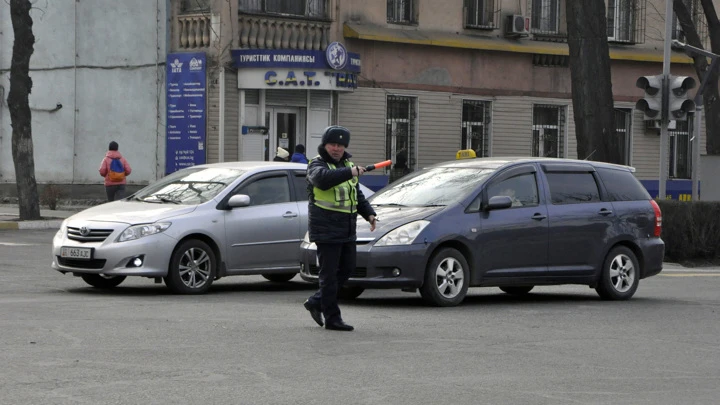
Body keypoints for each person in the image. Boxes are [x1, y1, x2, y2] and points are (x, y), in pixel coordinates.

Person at [303, 126, 377, 332]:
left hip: (346, 229)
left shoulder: (347, 164)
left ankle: (316, 301)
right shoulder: (316, 165)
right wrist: (350, 172)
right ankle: (333, 318)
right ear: (324, 145)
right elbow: (323, 180)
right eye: (332, 144)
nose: (336, 148)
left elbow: (357, 194)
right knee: (328, 275)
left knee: (347, 269)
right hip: (325, 229)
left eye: (340, 145)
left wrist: (369, 213)